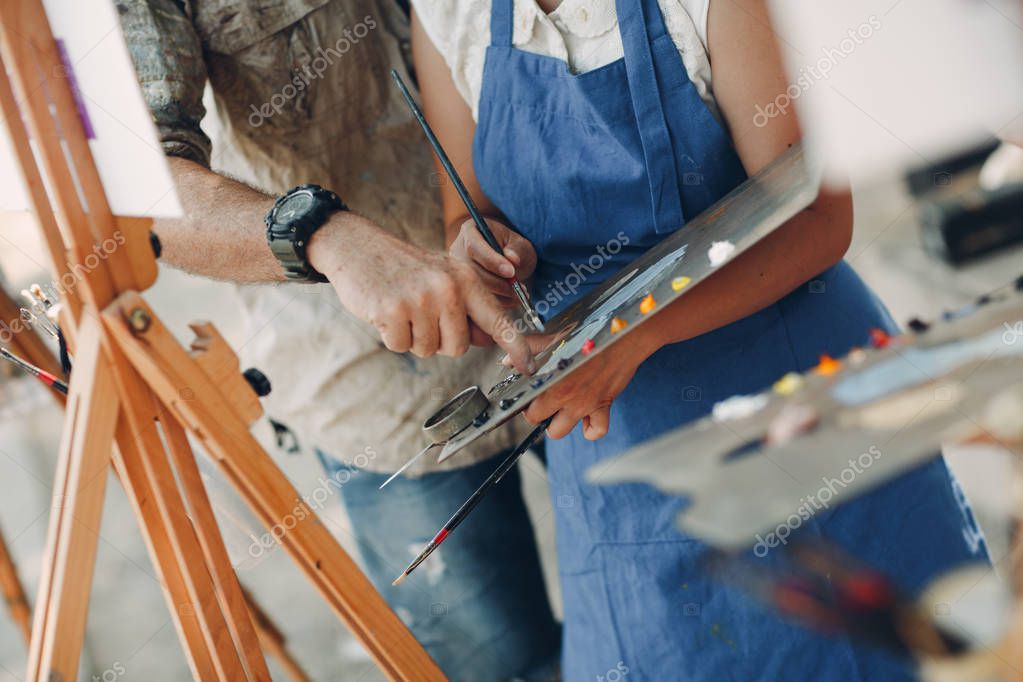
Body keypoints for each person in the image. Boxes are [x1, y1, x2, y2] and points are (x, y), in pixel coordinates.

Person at [410, 0, 989, 679]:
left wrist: (628, 337)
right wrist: (480, 246)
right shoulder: (449, 10)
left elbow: (818, 221)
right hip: (614, 440)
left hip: (797, 398)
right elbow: (468, 206)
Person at [116, 1, 560, 679]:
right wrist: (321, 235)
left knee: (679, 587)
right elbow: (144, 191)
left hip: (565, 288)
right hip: (375, 381)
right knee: (500, 662)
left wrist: (474, 212)